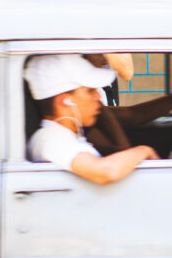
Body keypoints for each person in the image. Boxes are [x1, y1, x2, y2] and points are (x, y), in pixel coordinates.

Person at [25, 54, 157, 184]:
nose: (98, 97)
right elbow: (105, 172)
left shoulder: (63, 135)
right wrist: (144, 150)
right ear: (65, 101)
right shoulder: (52, 138)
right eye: (89, 91)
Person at [65, 0, 134, 101]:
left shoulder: (110, 24)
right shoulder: (64, 21)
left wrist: (96, 31)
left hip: (101, 105)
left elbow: (127, 72)